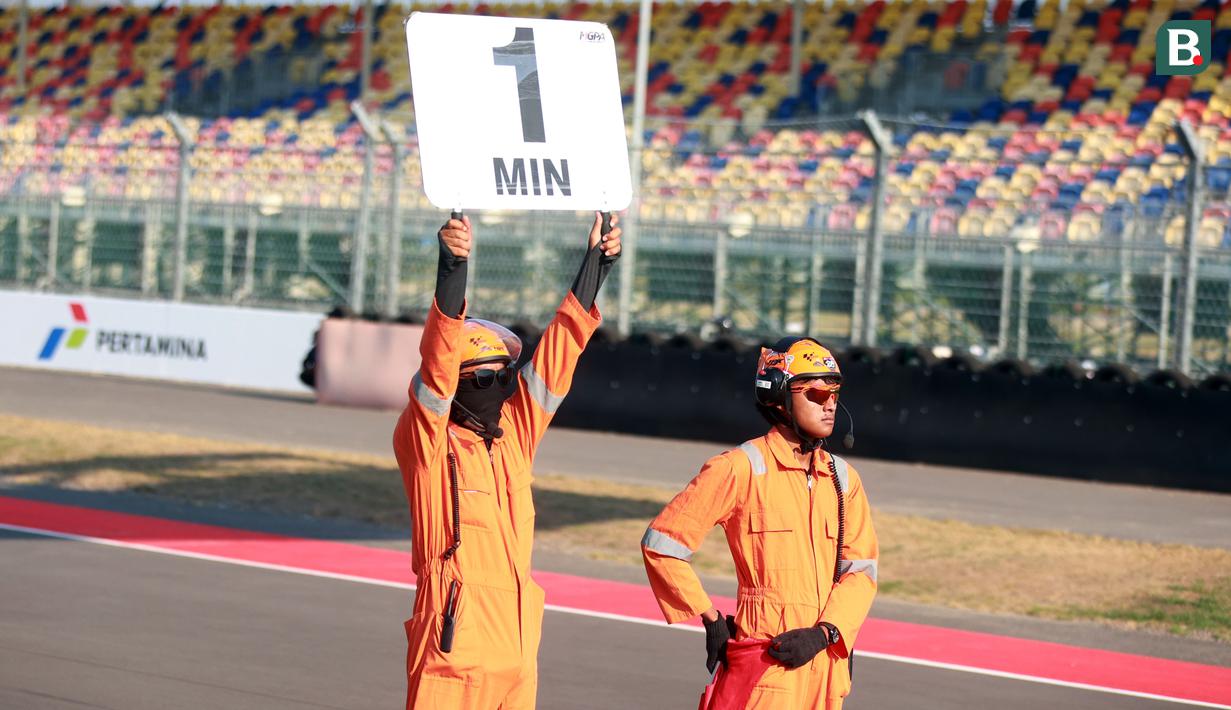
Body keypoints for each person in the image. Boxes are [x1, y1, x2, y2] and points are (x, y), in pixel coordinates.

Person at [393, 212, 621, 709]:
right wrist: (453, 266)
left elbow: (557, 359)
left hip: (517, 654)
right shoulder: (428, 443)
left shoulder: (513, 435)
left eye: (504, 377)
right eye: (481, 379)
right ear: (453, 388)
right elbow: (436, 364)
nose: (498, 388)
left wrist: (596, 266)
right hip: (454, 650)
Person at [641, 337, 878, 709]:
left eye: (835, 393)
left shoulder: (843, 479)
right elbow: (663, 545)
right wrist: (710, 617)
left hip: (827, 669)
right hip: (768, 667)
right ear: (779, 396)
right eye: (816, 393)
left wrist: (827, 632)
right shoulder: (739, 468)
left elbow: (861, 572)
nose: (830, 403)